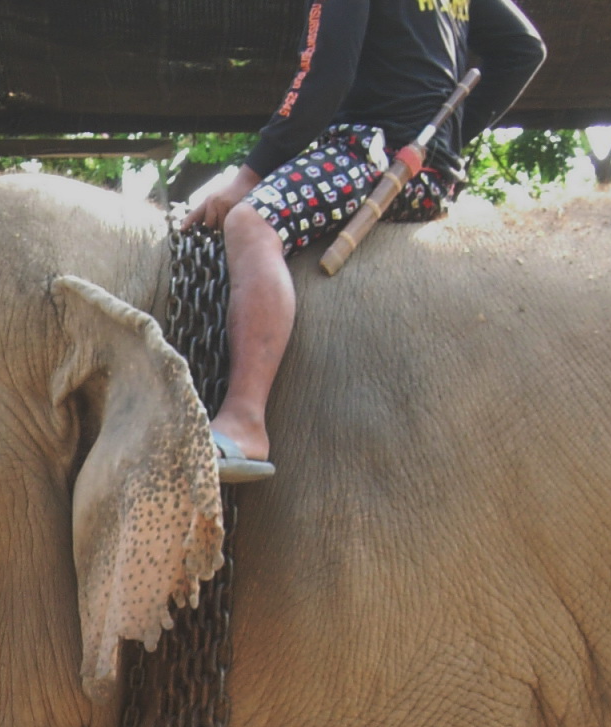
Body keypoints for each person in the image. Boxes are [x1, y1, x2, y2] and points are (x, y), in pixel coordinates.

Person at [186, 0, 546, 481]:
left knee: (252, 223)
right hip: (422, 171)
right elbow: (524, 49)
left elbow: (324, 78)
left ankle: (245, 422)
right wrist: (445, 140)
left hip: (370, 156)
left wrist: (247, 176)